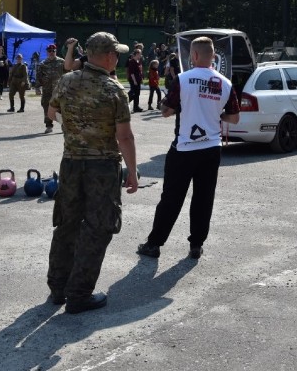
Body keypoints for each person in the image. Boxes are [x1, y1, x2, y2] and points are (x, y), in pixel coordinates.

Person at [46, 32, 138, 314]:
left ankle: (58, 287)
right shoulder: (114, 90)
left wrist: (75, 127)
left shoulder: (66, 80)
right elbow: (124, 137)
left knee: (68, 223)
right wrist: (132, 172)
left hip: (71, 163)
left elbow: (51, 112)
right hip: (102, 167)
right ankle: (79, 293)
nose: (118, 58)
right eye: (117, 54)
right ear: (109, 56)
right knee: (98, 228)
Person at [137, 36, 241, 260]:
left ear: (193, 55)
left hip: (184, 147)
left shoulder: (183, 79)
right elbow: (233, 118)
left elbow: (165, 111)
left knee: (172, 197)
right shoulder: (226, 82)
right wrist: (215, 114)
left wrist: (180, 107)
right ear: (213, 56)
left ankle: (154, 244)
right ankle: (196, 245)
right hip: (211, 148)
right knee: (204, 198)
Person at [36, 44, 65, 133]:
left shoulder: (62, 62)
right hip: (47, 90)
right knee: (46, 107)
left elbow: (69, 74)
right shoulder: (43, 64)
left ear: (56, 51)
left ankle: (64, 124)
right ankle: (49, 125)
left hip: (59, 90)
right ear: (47, 52)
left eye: (53, 51)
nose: (51, 53)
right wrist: (37, 88)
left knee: (61, 108)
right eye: (49, 51)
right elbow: (39, 77)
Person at [126, 48, 144, 112]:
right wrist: (134, 81)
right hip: (134, 80)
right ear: (136, 54)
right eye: (140, 54)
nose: (141, 55)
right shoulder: (132, 61)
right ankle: (124, 104)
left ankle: (136, 107)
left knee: (137, 94)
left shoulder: (138, 61)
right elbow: (132, 73)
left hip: (138, 80)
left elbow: (139, 72)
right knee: (133, 94)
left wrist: (141, 78)